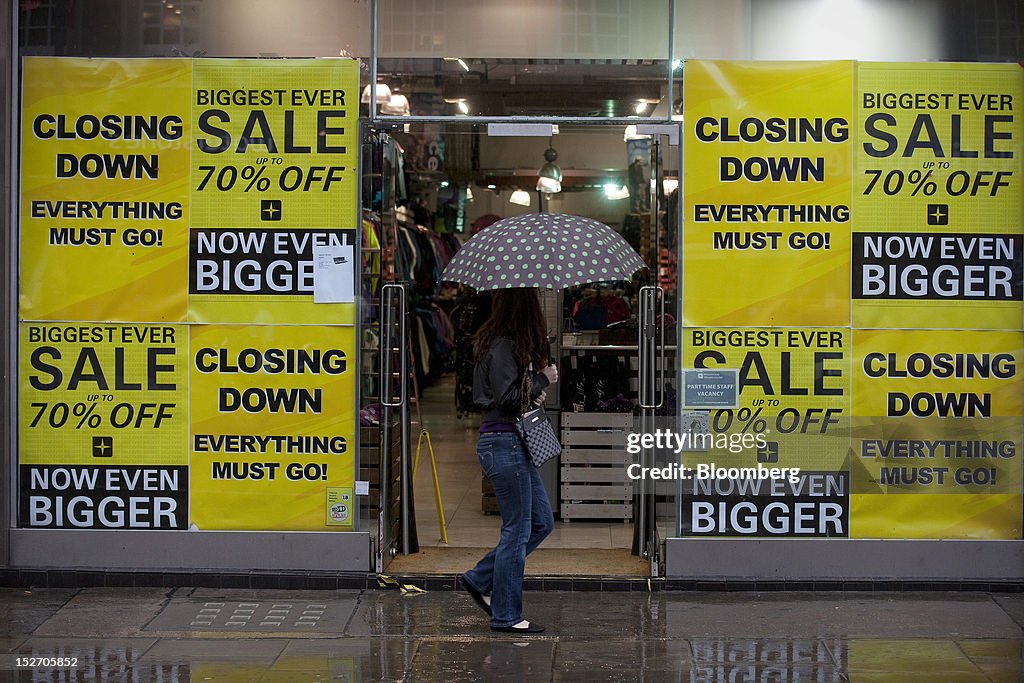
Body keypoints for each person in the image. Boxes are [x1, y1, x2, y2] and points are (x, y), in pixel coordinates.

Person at [462, 288, 557, 634]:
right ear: (525, 310)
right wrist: (543, 379)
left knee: (541, 521)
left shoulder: (502, 343)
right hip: (504, 442)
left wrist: (533, 386)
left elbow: (513, 392)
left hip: (510, 441)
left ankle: (481, 577)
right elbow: (506, 397)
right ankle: (506, 614)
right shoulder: (502, 344)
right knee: (517, 530)